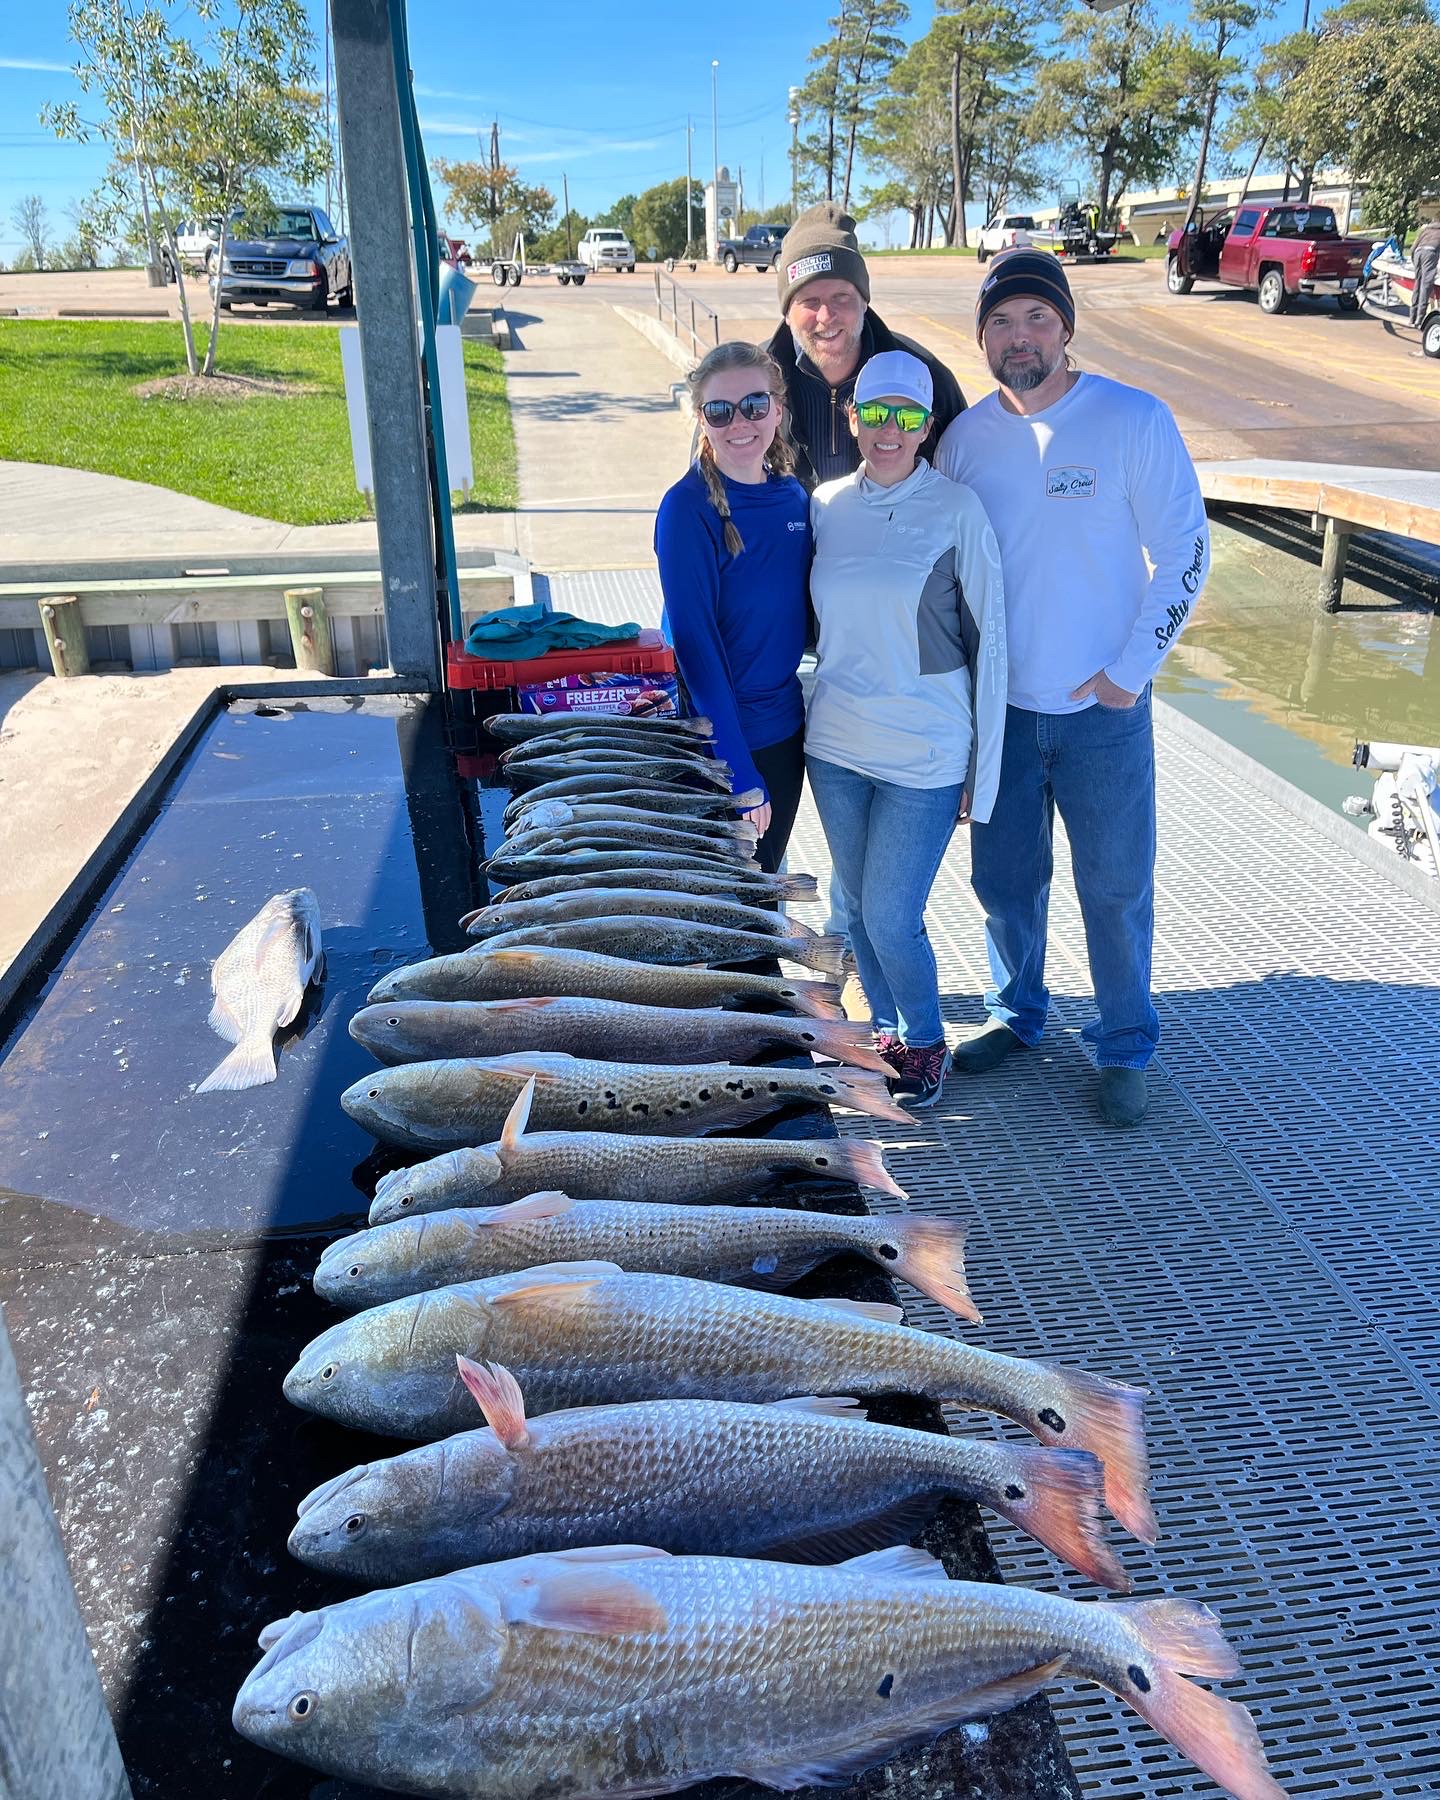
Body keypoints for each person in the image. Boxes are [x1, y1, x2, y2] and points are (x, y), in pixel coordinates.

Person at [935, 250, 1210, 1128]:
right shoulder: (966, 440)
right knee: (1006, 882)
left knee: (1116, 886)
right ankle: (1018, 1015)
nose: (1021, 338)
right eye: (1002, 323)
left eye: (1037, 319)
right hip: (1004, 712)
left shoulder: (1133, 419)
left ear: (1066, 328)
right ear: (982, 337)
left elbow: (1187, 552)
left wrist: (1130, 674)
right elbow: (939, 573)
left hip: (1103, 715)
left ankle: (1126, 1039)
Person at [807, 351, 1007, 1110]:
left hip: (925, 750)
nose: (890, 429)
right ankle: (881, 1029)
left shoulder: (958, 509)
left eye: (908, 415)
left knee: (892, 913)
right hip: (834, 745)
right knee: (856, 908)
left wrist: (980, 774)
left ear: (927, 424)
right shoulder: (825, 504)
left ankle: (925, 1039)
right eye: (876, 412)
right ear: (852, 417)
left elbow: (994, 645)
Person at [654, 340, 810, 873]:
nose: (739, 422)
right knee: (730, 923)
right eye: (720, 410)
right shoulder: (686, 509)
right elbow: (695, 649)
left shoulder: (795, 500)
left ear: (778, 410)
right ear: (702, 419)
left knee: (760, 896)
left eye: (755, 405)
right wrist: (736, 769)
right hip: (721, 748)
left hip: (786, 735)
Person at [766, 203, 966, 493]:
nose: (826, 316)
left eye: (842, 296)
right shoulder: (753, 388)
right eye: (809, 300)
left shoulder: (926, 378)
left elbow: (964, 481)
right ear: (786, 312)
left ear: (864, 300)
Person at [1408, 217, 1440, 327]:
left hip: (1417, 253)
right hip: (1430, 253)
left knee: (1417, 284)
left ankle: (1412, 318)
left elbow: (1412, 248)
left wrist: (1414, 262)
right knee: (1426, 286)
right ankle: (1419, 320)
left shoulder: (1425, 230)